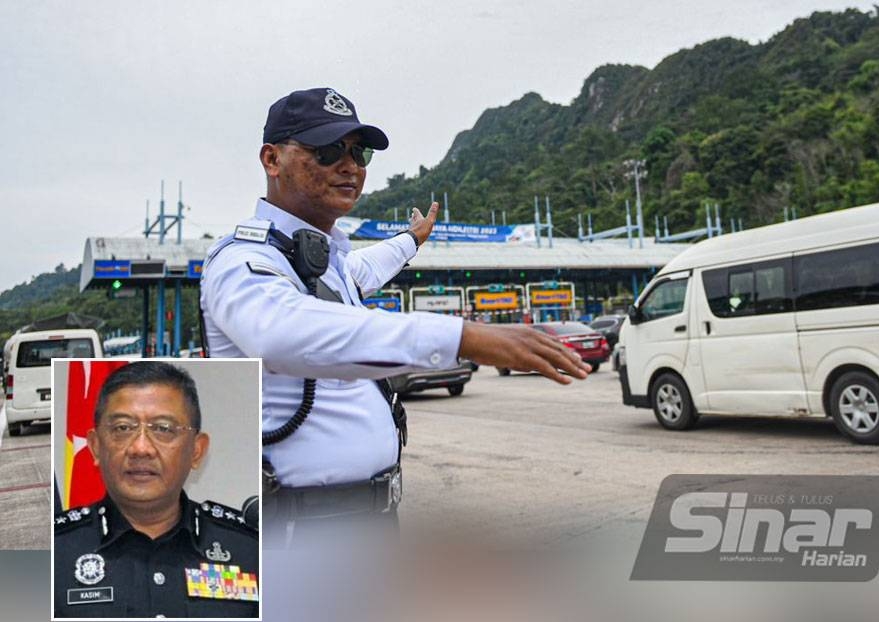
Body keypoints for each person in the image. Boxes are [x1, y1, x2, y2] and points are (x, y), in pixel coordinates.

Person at [199, 86, 588, 546]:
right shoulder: (242, 260)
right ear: (272, 159)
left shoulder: (326, 263)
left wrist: (412, 239)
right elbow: (281, 334)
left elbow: (367, 267)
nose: (350, 167)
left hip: (363, 522)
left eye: (359, 153)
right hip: (294, 532)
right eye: (326, 151)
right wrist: (465, 336)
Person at [53, 362, 259, 618]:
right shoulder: (52, 549)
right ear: (95, 447)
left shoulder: (250, 546)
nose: (141, 448)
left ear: (196, 451)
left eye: (163, 429)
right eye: (122, 428)